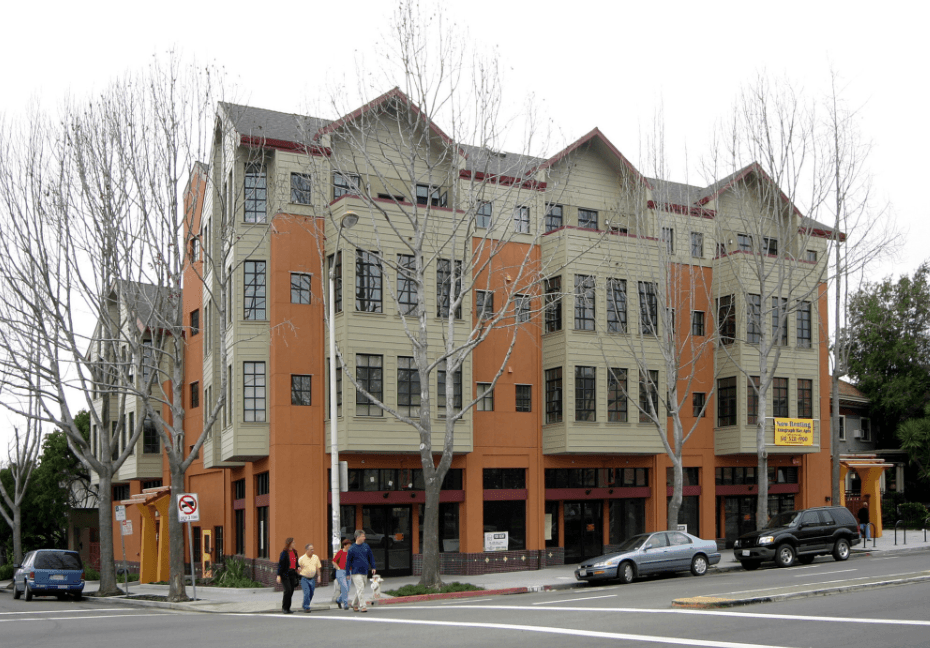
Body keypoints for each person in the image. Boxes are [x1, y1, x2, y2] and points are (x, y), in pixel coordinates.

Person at [345, 529, 376, 612]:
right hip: (356, 572)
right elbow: (348, 562)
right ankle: (363, 606)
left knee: (360, 589)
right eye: (363, 536)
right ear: (357, 537)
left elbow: (371, 557)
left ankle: (354, 604)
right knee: (361, 588)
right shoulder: (352, 549)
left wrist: (373, 567)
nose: (364, 538)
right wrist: (347, 573)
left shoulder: (366, 546)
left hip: (365, 571)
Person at [276, 537, 299, 614]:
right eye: (293, 543)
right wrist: (278, 575)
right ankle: (284, 608)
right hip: (285, 574)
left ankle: (288, 608)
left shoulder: (295, 552)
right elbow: (280, 564)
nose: (294, 544)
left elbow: (295, 562)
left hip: (292, 573)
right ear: (289, 543)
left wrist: (297, 567)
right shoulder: (284, 553)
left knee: (291, 591)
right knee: (287, 590)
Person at [298, 543, 322, 613]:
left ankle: (305, 604)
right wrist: (298, 571)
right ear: (307, 550)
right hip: (304, 578)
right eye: (311, 549)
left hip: (312, 578)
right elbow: (297, 568)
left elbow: (317, 568)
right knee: (307, 593)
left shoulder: (315, 557)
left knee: (311, 593)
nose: (312, 551)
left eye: (313, 549)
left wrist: (319, 576)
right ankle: (306, 607)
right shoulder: (301, 559)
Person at [332, 538, 351, 610]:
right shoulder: (340, 552)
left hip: (348, 571)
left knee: (347, 588)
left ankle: (339, 600)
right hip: (341, 571)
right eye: (348, 545)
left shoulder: (350, 553)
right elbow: (334, 561)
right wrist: (338, 568)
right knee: (344, 587)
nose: (349, 546)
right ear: (345, 545)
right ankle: (346, 604)